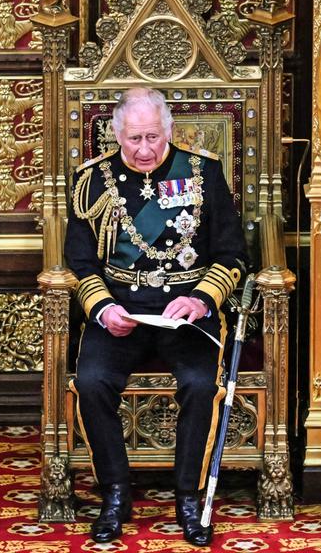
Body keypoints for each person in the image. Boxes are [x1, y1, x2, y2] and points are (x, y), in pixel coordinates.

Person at [66, 87, 246, 547]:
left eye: (152, 137)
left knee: (200, 384)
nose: (143, 150)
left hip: (185, 310)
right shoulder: (91, 182)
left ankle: (188, 494)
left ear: (169, 131)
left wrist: (202, 300)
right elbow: (81, 263)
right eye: (132, 140)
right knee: (92, 381)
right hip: (120, 308)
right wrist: (103, 309)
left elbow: (232, 255)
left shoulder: (204, 174)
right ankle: (115, 493)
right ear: (116, 135)